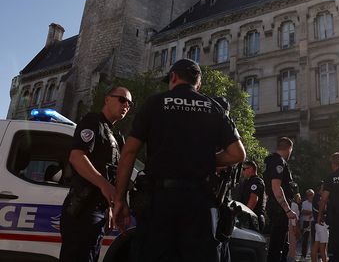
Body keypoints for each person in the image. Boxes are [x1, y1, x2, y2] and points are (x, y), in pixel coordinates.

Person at [113, 59, 246, 262]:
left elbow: (129, 152)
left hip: (160, 202)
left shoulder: (154, 103)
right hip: (200, 203)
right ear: (198, 84)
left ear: (173, 77)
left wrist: (119, 199)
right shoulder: (213, 107)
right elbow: (238, 154)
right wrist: (205, 160)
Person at [60, 86, 132, 262]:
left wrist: (109, 206)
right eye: (122, 99)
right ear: (107, 99)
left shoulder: (113, 136)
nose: (126, 106)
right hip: (82, 209)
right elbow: (77, 156)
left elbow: (108, 172)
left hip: (97, 210)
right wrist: (104, 185)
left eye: (130, 104)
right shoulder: (93, 121)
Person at [263, 137, 298, 262]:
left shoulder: (269, 161)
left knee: (279, 244)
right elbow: (276, 187)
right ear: (289, 149)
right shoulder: (278, 162)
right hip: (278, 208)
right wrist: (288, 210)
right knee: (277, 246)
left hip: (273, 206)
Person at [240, 160, 266, 231]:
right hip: (251, 218)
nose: (243, 171)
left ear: (251, 169)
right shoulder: (248, 181)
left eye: (244, 169)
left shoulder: (256, 181)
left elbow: (253, 199)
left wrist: (244, 216)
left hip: (253, 219)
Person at [312, 181, 329, 262]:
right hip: (321, 224)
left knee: (316, 245)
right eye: (323, 186)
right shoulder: (318, 197)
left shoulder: (317, 196)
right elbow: (324, 207)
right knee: (323, 247)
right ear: (320, 188)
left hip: (319, 224)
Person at [301, 189, 315, 261]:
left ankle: (314, 256)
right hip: (306, 222)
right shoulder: (304, 203)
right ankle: (303, 255)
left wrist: (310, 213)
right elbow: (303, 212)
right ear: (307, 196)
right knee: (305, 239)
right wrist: (312, 213)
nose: (311, 196)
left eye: (312, 195)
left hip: (314, 222)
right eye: (309, 195)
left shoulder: (316, 203)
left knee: (315, 239)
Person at [288, 193, 302, 262]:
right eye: (299, 198)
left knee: (292, 241)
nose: (300, 199)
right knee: (292, 241)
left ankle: (292, 256)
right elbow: (293, 217)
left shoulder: (293, 204)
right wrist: (294, 226)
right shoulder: (294, 205)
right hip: (292, 224)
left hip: (293, 224)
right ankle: (291, 258)